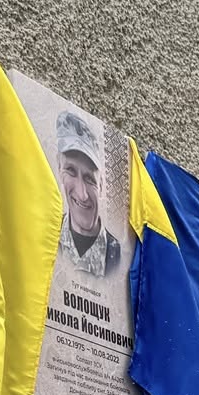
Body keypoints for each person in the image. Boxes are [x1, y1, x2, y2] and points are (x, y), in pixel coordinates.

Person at [55, 111, 121, 279]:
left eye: (89, 179)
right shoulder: (47, 235)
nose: (82, 194)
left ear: (101, 184)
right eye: (70, 170)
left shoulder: (119, 257)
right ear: (59, 168)